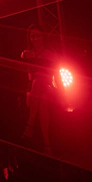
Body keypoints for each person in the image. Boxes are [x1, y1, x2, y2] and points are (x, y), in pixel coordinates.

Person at [20, 23, 59, 155]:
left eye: (38, 36)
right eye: (33, 36)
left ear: (43, 37)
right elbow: (27, 75)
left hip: (48, 86)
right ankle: (47, 143)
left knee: (40, 82)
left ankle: (30, 123)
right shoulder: (26, 54)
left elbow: (52, 76)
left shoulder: (51, 54)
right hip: (33, 89)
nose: (35, 39)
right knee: (42, 99)